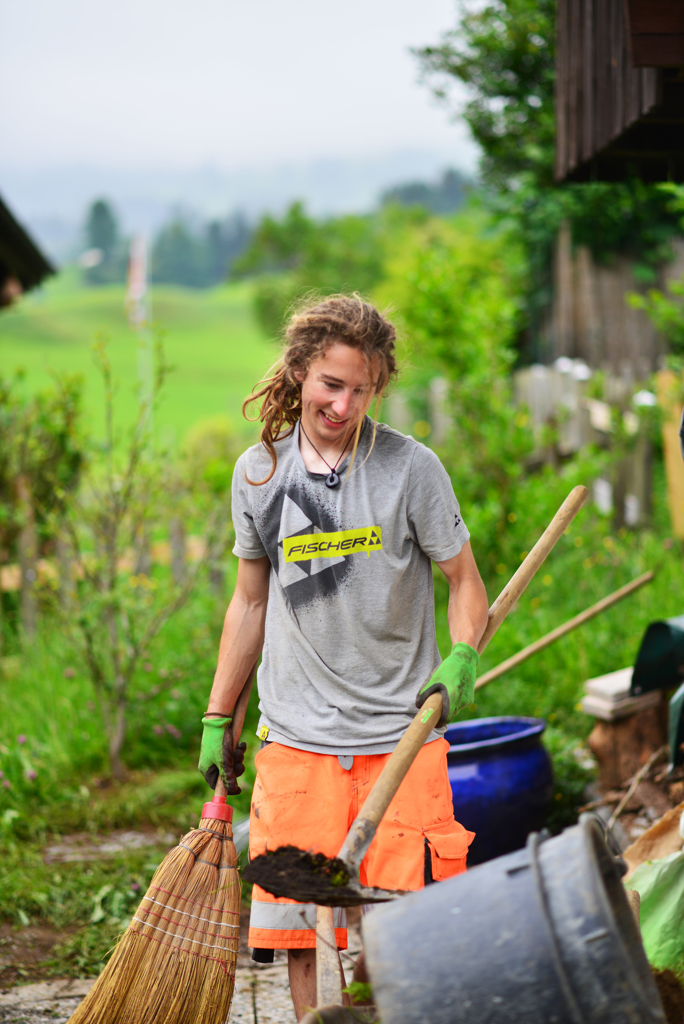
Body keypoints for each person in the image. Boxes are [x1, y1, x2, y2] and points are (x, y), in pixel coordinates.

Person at [199, 294, 489, 1019]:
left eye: (362, 389)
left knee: (402, 929)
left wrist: (462, 657)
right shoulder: (259, 474)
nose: (344, 403)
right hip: (297, 742)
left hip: (403, 737)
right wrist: (218, 712)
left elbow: (465, 581)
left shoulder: (409, 469)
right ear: (300, 372)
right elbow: (251, 602)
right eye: (332, 383)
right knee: (299, 930)